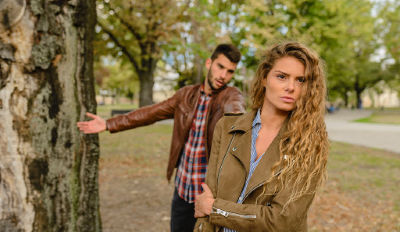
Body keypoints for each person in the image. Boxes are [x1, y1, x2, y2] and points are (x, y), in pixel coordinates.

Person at [77, 44, 245, 232]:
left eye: (230, 71)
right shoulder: (185, 95)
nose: (223, 75)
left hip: (209, 196)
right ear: (209, 63)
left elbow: (236, 113)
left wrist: (238, 123)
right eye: (220, 67)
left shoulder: (230, 96)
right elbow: (151, 113)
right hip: (182, 189)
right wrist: (109, 124)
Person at [194, 41, 329, 232]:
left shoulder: (310, 143)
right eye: (282, 76)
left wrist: (216, 209)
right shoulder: (226, 128)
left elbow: (282, 221)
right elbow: (207, 200)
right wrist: (207, 211)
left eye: (301, 80)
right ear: (265, 78)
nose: (291, 87)